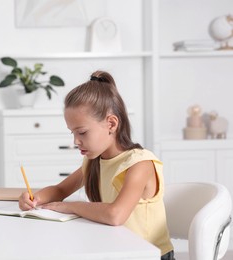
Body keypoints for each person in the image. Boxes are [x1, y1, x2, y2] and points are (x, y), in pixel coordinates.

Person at [19, 70, 175, 260]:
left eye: (82, 132)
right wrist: (34, 198)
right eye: (72, 133)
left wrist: (70, 207)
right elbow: (60, 190)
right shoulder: (94, 162)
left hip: (149, 255)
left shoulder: (140, 163)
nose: (76, 141)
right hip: (115, 251)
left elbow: (115, 215)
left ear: (111, 124)